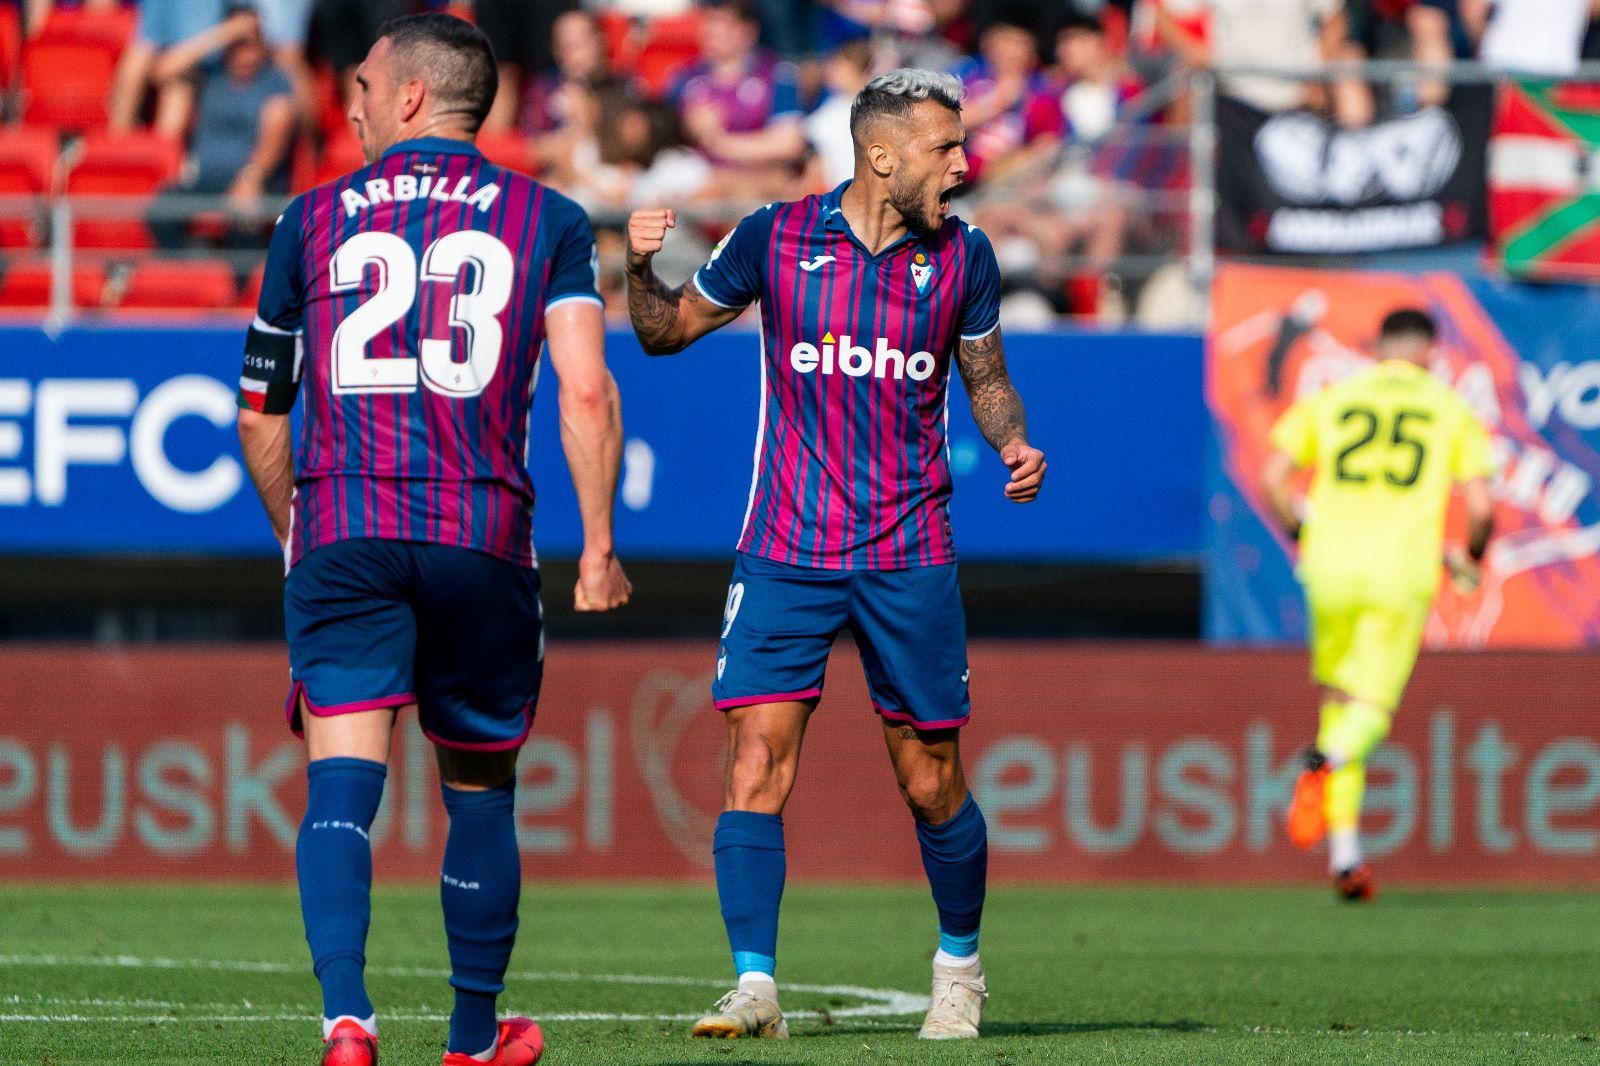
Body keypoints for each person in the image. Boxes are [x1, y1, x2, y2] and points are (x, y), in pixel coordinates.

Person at [235, 13, 631, 1066]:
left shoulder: (305, 220)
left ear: (409, 95)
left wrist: (297, 530)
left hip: (344, 521)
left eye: (361, 83)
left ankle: (347, 1022)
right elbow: (586, 390)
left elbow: (257, 415)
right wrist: (597, 545)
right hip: (480, 525)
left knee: (340, 783)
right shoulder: (549, 217)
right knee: (480, 785)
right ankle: (468, 1039)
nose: (347, 100)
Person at [625, 68, 1047, 1041]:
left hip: (908, 548)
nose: (963, 162)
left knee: (931, 777)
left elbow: (986, 380)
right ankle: (754, 985)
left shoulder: (966, 256)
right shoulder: (774, 237)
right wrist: (636, 268)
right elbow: (663, 334)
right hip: (785, 548)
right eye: (946, 147)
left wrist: (1014, 441)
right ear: (881, 154)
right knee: (754, 763)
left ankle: (958, 969)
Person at [1263, 308, 1494, 902]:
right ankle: (1324, 761)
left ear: (1380, 345)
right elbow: (1483, 507)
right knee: (1370, 711)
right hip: (1399, 574)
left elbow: (1275, 476)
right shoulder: (1450, 408)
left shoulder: (1337, 397)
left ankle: (1345, 857)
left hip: (1329, 568)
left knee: (1340, 702)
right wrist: (1469, 554)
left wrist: (1300, 535)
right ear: (1430, 351)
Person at [146, 5, 296, 249]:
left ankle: (240, 286)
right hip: (206, 182)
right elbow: (161, 72)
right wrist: (223, 34)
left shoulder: (274, 81)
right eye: (239, 39)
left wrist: (251, 177)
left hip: (255, 182)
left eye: (252, 37)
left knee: (245, 222)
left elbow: (276, 130)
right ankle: (191, 275)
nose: (247, 46)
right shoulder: (213, 74)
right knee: (161, 212)